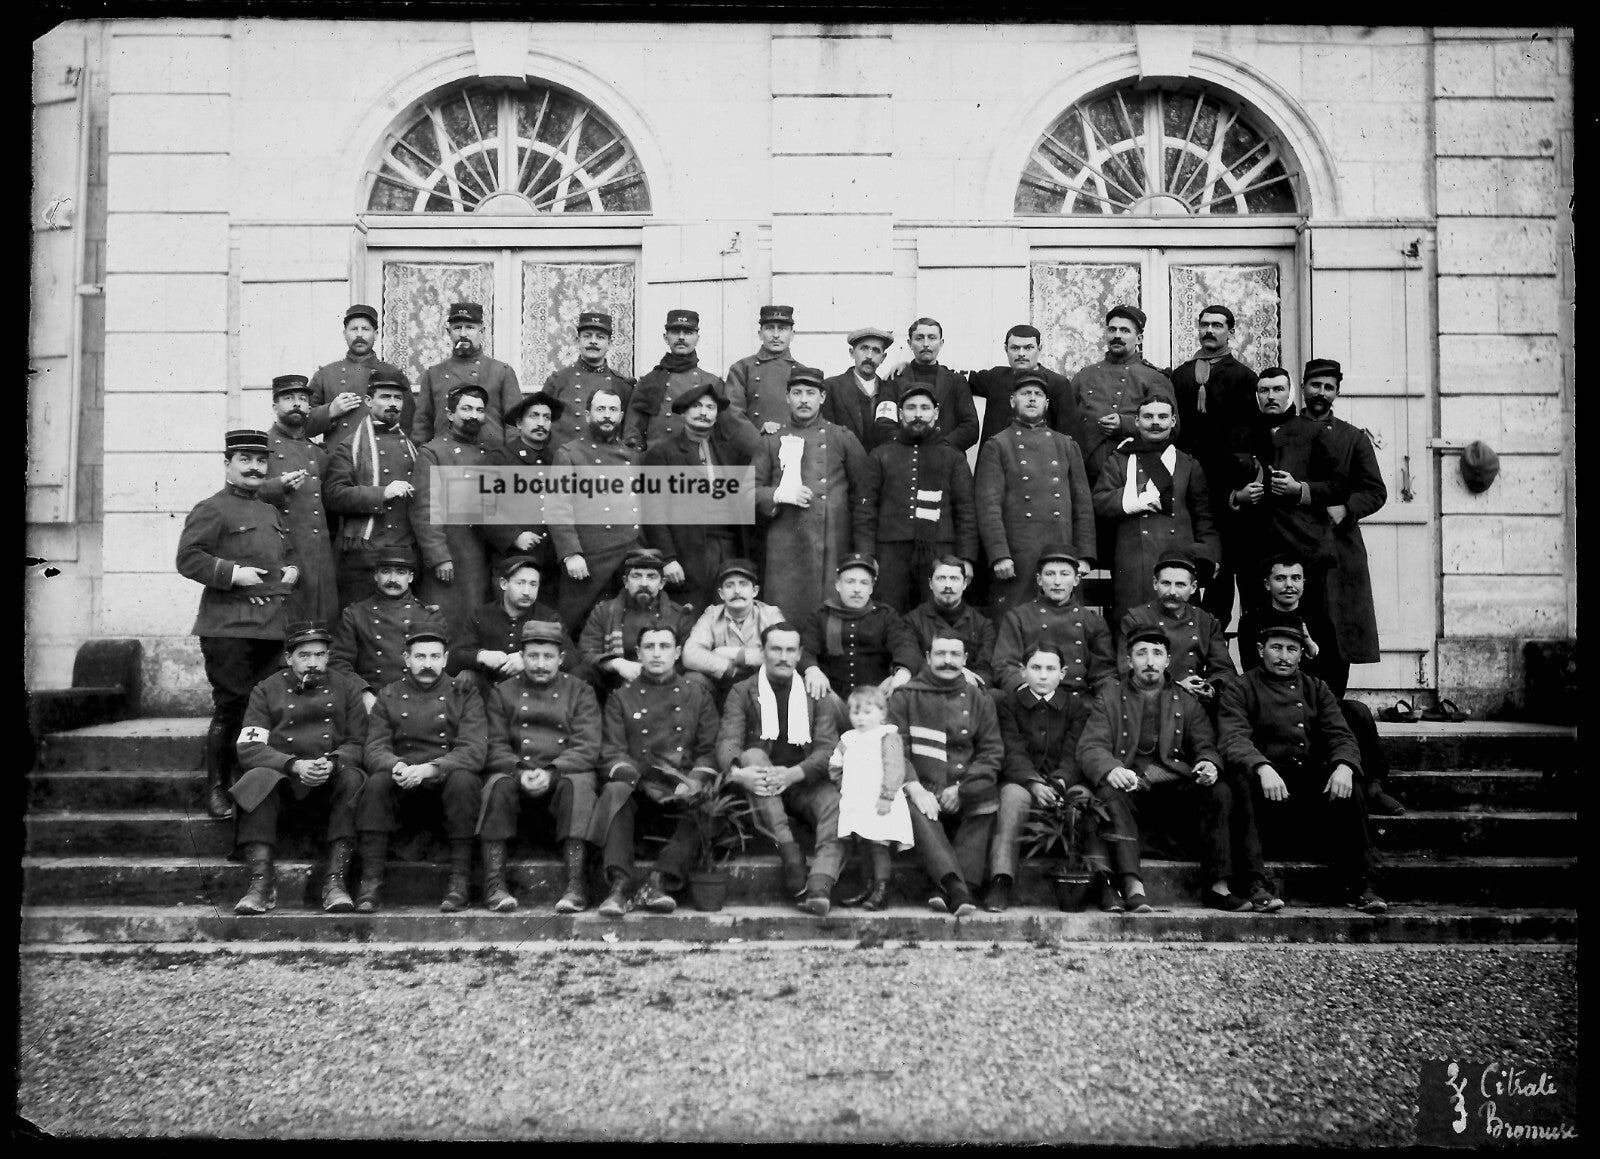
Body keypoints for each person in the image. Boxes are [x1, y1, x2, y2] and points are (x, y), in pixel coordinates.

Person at [1077, 627, 1258, 914]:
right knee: (1108, 791)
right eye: (1141, 653)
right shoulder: (1110, 697)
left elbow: (1206, 745)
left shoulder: (1185, 700)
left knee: (1219, 790)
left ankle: (1218, 887)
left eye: (1157, 654)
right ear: (1129, 660)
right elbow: (1090, 747)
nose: (1149, 661)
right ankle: (1133, 886)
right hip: (1131, 790)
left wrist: (1209, 764)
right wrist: (1111, 768)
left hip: (1173, 791)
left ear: (1167, 660)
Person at [1217, 625, 1387, 915]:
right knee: (1239, 779)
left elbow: (1342, 736)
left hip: (1305, 793)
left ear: (1301, 654)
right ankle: (1255, 883)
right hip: (1263, 795)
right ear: (1261, 650)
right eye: (1276, 648)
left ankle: (1361, 884)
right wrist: (1262, 767)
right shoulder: (1241, 687)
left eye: (1291, 649)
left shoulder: (1316, 688)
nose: (1283, 656)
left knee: (1349, 783)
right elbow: (1233, 738)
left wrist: (1344, 766)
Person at [176, 428, 299, 819]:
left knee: (263, 708)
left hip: (269, 627)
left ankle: (254, 785)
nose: (254, 467)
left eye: (261, 460)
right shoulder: (212, 508)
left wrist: (292, 570)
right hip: (228, 627)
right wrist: (233, 574)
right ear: (228, 464)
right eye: (245, 460)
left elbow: (285, 554)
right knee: (232, 707)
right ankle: (216, 786)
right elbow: (188, 558)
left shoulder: (269, 511)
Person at [1238, 553, 1405, 817]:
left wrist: (1312, 652)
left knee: (1357, 711)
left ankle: (1371, 786)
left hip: (1316, 703)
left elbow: (1336, 676)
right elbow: (1252, 671)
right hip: (1271, 706)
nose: (1289, 585)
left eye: (1295, 578)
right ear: (1267, 584)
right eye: (1280, 578)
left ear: (1304, 582)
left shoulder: (1319, 619)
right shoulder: (1252, 620)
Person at [230, 621, 366, 915]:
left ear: (328, 657)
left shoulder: (347, 688)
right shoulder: (265, 691)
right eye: (304, 655)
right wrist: (293, 764)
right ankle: (260, 884)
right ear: (289, 658)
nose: (313, 663)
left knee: (354, 778)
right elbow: (250, 747)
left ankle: (335, 882)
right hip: (284, 785)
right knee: (258, 776)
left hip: (329, 785)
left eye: (320, 655)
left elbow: (359, 742)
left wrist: (332, 762)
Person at [591, 624, 726, 917]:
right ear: (638, 654)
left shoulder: (697, 695)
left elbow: (709, 750)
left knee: (709, 800)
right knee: (614, 790)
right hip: (639, 795)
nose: (656, 653)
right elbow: (611, 752)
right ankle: (619, 885)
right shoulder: (621, 697)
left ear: (677, 653)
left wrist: (693, 781)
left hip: (682, 794)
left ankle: (657, 882)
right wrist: (639, 782)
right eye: (649, 647)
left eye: (664, 647)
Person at [355, 623, 486, 913]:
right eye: (420, 657)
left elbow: (473, 750)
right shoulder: (388, 695)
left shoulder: (464, 693)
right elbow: (374, 747)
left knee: (465, 780)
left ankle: (460, 880)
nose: (427, 664)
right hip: (402, 783)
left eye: (435, 657)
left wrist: (430, 769)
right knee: (376, 782)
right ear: (406, 659)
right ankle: (371, 880)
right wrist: (396, 765)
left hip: (443, 782)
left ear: (446, 659)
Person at [716, 622, 846, 913]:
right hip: (760, 784)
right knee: (750, 755)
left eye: (790, 650)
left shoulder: (816, 692)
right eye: (776, 649)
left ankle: (820, 885)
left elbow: (828, 749)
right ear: (762, 652)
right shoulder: (742, 691)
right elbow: (728, 741)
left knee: (837, 804)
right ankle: (791, 856)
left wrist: (793, 774)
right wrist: (738, 773)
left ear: (800, 654)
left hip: (803, 779)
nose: (783, 656)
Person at [479, 621, 603, 913]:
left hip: (561, 776)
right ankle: (494, 883)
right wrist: (519, 771)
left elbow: (587, 746)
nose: (540, 664)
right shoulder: (503, 692)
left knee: (580, 783)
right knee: (496, 784)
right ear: (521, 657)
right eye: (533, 656)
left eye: (548, 657)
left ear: (560, 659)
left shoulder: (580, 691)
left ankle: (576, 884)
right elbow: (494, 745)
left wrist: (552, 772)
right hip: (517, 774)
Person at [888, 632, 1004, 917]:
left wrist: (963, 789)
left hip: (964, 785)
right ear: (927, 658)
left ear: (965, 660)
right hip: (924, 785)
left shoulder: (979, 699)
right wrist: (914, 786)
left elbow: (991, 752)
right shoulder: (906, 696)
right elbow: (894, 748)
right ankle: (957, 887)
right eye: (940, 654)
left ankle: (945, 890)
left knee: (987, 797)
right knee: (913, 807)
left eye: (955, 655)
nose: (947, 661)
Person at [1222, 366, 1347, 618]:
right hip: (1253, 547)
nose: (1271, 396)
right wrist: (1237, 496)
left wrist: (1300, 489)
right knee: (1255, 616)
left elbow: (1338, 486)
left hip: (1301, 543)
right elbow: (1217, 482)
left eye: (1278, 389)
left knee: (1305, 620)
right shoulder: (1238, 434)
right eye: (1264, 390)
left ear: (1290, 393)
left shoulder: (1313, 432)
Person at [973, 369, 1096, 616]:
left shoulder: (1066, 445)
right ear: (1012, 401)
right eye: (1025, 393)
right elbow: (988, 506)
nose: (1031, 398)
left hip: (1061, 551)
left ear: (1047, 403)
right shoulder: (997, 445)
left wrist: (1084, 556)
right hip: (1017, 556)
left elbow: (1083, 505)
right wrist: (998, 555)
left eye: (1038, 394)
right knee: (1014, 623)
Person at [753, 365, 869, 625]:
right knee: (784, 624)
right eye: (797, 393)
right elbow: (748, 491)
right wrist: (779, 494)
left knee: (829, 621)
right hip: (785, 548)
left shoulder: (842, 437)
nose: (804, 400)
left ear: (823, 398)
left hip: (832, 543)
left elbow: (865, 494)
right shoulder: (771, 440)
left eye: (810, 393)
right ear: (787, 397)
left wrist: (862, 551)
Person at [1092, 395, 1219, 630]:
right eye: (1148, 417)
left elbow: (1204, 518)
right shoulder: (1119, 460)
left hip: (1178, 560)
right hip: (1132, 563)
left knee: (1180, 630)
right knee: (1133, 628)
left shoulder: (1188, 465)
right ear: (1137, 422)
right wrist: (1138, 500)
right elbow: (1099, 502)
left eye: (1162, 417)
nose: (1155, 422)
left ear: (1173, 421)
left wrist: (1208, 554)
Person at [1299, 357, 1387, 697]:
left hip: (1338, 548)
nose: (1321, 393)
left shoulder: (1353, 439)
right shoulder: (1287, 432)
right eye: (1315, 385)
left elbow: (1376, 491)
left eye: (1328, 388)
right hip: (1297, 549)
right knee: (1297, 629)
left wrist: (1347, 508)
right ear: (1304, 387)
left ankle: (1332, 710)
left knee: (1335, 635)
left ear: (1337, 392)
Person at [1169, 305, 1259, 627]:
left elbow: (1250, 438)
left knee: (1223, 567)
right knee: (1189, 559)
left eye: (1217, 325)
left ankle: (1216, 645)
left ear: (1230, 332)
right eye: (1204, 325)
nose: (1209, 330)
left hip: (1226, 486)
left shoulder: (1245, 377)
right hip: (1189, 481)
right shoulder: (1181, 375)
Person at [854, 382, 978, 613]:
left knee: (937, 617)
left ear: (936, 413)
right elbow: (865, 509)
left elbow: (966, 511)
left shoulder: (953, 457)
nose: (918, 414)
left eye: (925, 407)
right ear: (900, 414)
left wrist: (967, 559)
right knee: (889, 614)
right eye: (911, 408)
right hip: (890, 555)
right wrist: (866, 555)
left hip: (941, 553)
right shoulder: (881, 455)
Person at [987, 642, 1089, 912]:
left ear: (1063, 673)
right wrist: (1033, 783)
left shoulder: (1075, 706)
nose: (1043, 676)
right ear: (1022, 671)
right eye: (1036, 668)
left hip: (1064, 783)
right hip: (1023, 782)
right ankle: (1001, 879)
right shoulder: (1009, 705)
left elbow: (1074, 751)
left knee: (1084, 799)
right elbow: (1012, 749)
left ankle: (1099, 879)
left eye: (1050, 669)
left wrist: (1058, 782)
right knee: (1011, 797)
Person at [640, 382, 754, 613]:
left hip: (728, 549)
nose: (704, 412)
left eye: (710, 407)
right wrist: (668, 558)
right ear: (684, 412)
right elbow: (653, 510)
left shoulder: (731, 452)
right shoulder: (662, 454)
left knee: (728, 615)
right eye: (697, 406)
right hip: (687, 553)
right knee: (689, 618)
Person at [322, 371, 423, 610]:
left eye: (398, 398)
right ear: (369, 401)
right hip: (364, 554)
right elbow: (334, 495)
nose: (392, 404)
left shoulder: (413, 448)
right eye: (385, 397)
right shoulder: (350, 446)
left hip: (405, 551)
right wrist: (382, 493)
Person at [547, 385, 643, 634]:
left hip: (626, 558)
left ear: (621, 416)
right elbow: (558, 506)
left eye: (613, 410)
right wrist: (571, 554)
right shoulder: (569, 454)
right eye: (600, 409)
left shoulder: (632, 457)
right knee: (576, 627)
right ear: (588, 415)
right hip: (588, 559)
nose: (607, 416)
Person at [413, 384, 496, 642]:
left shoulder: (489, 454)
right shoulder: (433, 452)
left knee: (479, 621)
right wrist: (438, 556)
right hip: (451, 554)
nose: (473, 415)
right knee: (448, 623)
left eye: (479, 410)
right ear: (450, 414)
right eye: (466, 408)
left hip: (482, 554)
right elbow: (424, 508)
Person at [448, 555, 588, 701]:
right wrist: (481, 656)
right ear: (503, 584)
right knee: (466, 677)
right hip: (488, 692)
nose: (527, 591)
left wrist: (528, 662)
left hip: (532, 693)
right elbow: (454, 657)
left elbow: (571, 659)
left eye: (533, 584)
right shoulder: (480, 615)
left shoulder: (548, 617)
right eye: (520, 583)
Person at [256, 375, 337, 626]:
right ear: (274, 407)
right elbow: (245, 494)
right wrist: (278, 486)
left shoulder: (316, 452)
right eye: (288, 398)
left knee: (321, 625)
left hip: (319, 555)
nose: (297, 404)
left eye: (302, 399)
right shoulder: (261, 446)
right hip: (284, 553)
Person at [625, 308, 760, 456]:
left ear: (697, 338)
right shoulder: (649, 382)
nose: (681, 337)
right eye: (675, 332)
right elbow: (632, 433)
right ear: (665, 337)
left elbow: (727, 431)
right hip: (657, 464)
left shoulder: (713, 383)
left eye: (688, 333)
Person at [827, 684, 913, 912]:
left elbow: (895, 767)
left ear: (882, 713)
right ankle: (868, 887)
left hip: (881, 799)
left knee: (878, 844)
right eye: (855, 713)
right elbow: (835, 766)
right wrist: (843, 785)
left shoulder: (888, 736)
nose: (861, 719)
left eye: (868, 712)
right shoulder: (848, 739)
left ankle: (883, 889)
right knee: (863, 843)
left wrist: (887, 795)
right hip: (857, 800)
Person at [990, 545, 1115, 700]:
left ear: (1076, 580)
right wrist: (1027, 692)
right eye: (1050, 574)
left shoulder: (1092, 621)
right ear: (1039, 580)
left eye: (1064, 574)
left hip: (1078, 704)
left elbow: (1104, 673)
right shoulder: (1018, 617)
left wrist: (1107, 702)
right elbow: (1005, 665)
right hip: (1031, 701)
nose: (1057, 582)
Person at [1070, 305, 1176, 488]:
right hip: (1084, 472)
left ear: (1139, 339)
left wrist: (1125, 424)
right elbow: (1065, 423)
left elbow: (1174, 428)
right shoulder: (1084, 375)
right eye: (1112, 329)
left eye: (1125, 330)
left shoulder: (1154, 378)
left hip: (1134, 473)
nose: (1117, 335)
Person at [798, 554, 922, 709]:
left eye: (864, 583)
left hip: (877, 701)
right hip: (832, 700)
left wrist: (901, 674)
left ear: (871, 588)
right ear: (838, 585)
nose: (857, 589)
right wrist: (812, 670)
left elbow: (905, 646)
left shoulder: (885, 615)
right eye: (850, 582)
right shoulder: (821, 615)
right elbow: (806, 650)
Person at [1117, 556, 1236, 708]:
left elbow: (1224, 670)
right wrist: (1178, 687)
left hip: (1196, 706)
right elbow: (1127, 672)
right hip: (1149, 704)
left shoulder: (1205, 621)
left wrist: (1209, 688)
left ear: (1193, 587)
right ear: (1155, 584)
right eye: (1166, 583)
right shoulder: (1136, 619)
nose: (1172, 591)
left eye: (1180, 584)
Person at [576, 548, 698, 691]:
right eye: (636, 576)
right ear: (625, 581)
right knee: (581, 674)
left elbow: (685, 661)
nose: (643, 583)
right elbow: (586, 653)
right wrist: (616, 663)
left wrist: (653, 673)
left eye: (651, 576)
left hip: (664, 686)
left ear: (662, 583)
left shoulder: (679, 615)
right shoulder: (604, 612)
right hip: (614, 684)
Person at [329, 554, 439, 704]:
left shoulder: (427, 615)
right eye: (386, 571)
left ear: (410, 577)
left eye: (400, 572)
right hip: (372, 700)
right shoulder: (355, 614)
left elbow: (438, 667)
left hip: (416, 702)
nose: (393, 579)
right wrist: (363, 692)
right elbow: (338, 662)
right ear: (376, 575)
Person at [412, 301, 522, 448]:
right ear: (448, 332)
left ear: (481, 331)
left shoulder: (501, 371)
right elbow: (422, 424)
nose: (463, 334)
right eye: (457, 328)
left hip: (490, 458)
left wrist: (512, 459)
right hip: (446, 458)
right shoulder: (433, 374)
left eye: (470, 327)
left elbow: (514, 423)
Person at [305, 303, 413, 449]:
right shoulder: (325, 375)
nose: (360, 335)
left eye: (366, 329)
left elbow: (409, 425)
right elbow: (303, 425)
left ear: (376, 334)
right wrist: (330, 411)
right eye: (354, 329)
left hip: (382, 459)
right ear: (345, 334)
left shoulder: (393, 374)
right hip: (338, 460)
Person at [484, 390, 563, 588]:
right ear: (519, 423)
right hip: (512, 563)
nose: (541, 423)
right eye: (533, 416)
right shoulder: (499, 459)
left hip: (550, 565)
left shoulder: (557, 461)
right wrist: (513, 536)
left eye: (547, 417)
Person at [682, 558, 788, 702]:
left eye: (743, 585)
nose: (737, 591)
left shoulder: (770, 614)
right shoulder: (712, 614)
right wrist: (728, 667)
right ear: (721, 593)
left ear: (755, 591)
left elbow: (783, 652)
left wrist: (737, 655)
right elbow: (690, 654)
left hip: (761, 683)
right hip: (722, 682)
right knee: (692, 679)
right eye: (729, 586)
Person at [967, 324, 1080, 447]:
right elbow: (955, 379)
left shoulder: (1057, 384)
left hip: (1037, 461)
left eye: (1028, 348)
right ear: (1006, 349)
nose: (1021, 354)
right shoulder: (995, 377)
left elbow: (1068, 435)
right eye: (1015, 348)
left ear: (1039, 348)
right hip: (993, 460)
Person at [538, 310, 635, 450]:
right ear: (577, 341)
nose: (593, 341)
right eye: (587, 336)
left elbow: (628, 432)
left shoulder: (623, 385)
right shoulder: (558, 381)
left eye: (600, 337)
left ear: (610, 343)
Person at [884, 317, 979, 451]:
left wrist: (940, 447)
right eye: (919, 338)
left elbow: (970, 427)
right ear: (909, 343)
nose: (926, 344)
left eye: (932, 338)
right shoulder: (895, 379)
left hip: (946, 458)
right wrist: (910, 447)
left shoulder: (956, 381)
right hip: (905, 459)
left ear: (941, 343)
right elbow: (884, 425)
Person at [902, 556, 996, 687]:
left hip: (968, 694)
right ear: (930, 583)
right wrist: (956, 672)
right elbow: (912, 661)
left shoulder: (983, 625)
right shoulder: (912, 621)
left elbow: (985, 670)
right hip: (926, 690)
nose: (948, 585)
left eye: (954, 579)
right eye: (941, 578)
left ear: (964, 584)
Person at [725, 304, 799, 437]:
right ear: (760, 334)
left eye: (782, 329)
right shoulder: (742, 368)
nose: (776, 335)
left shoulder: (802, 372)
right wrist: (757, 441)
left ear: (792, 335)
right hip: (754, 450)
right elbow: (733, 414)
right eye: (770, 328)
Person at [820, 326, 898, 452]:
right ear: (852, 352)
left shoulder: (891, 389)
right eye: (864, 348)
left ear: (883, 358)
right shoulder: (831, 387)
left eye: (876, 351)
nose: (869, 356)